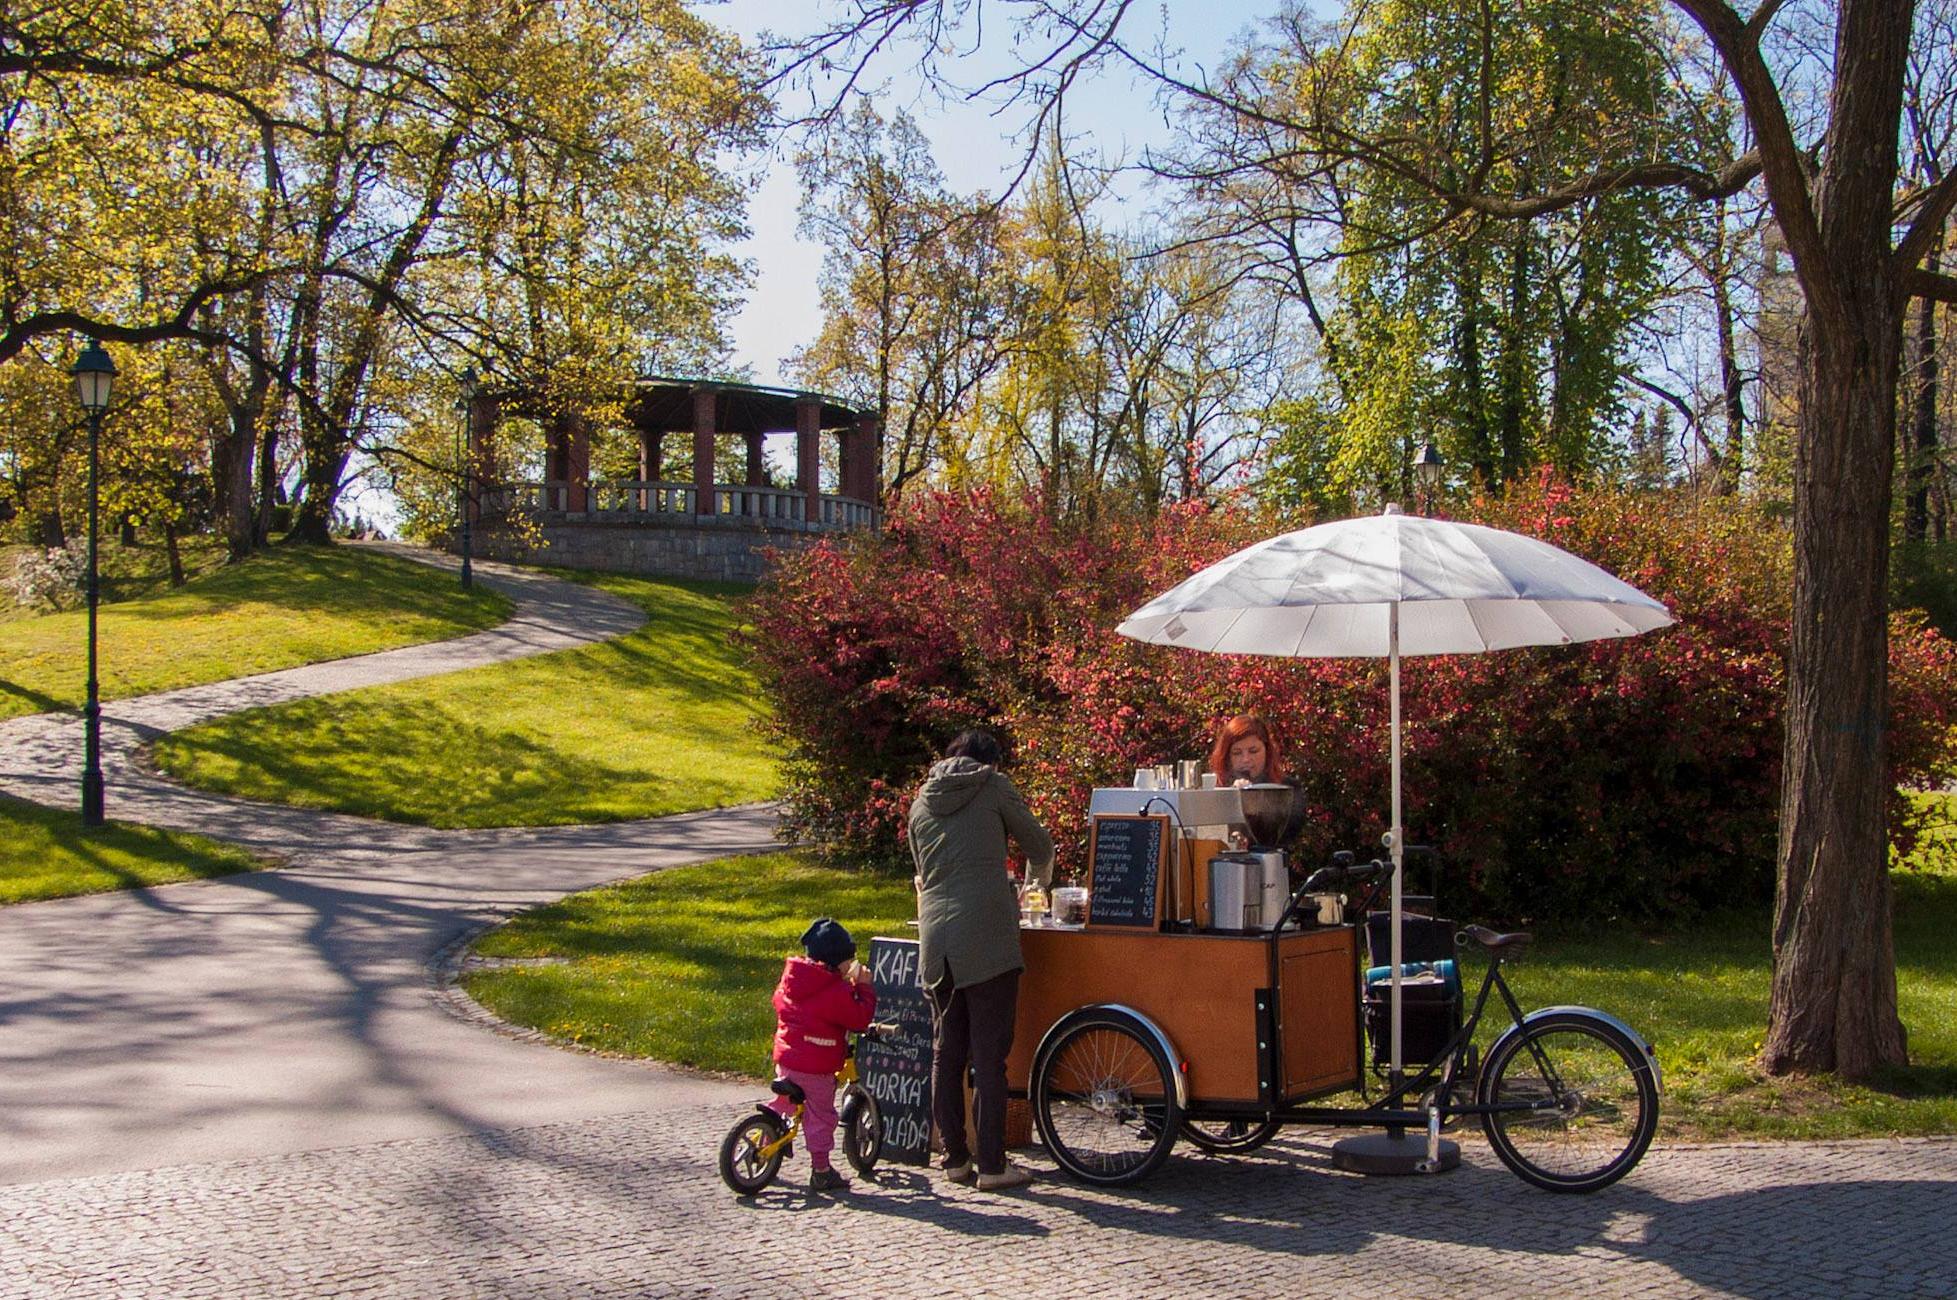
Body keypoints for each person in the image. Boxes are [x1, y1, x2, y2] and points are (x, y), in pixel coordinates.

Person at [909, 728, 1054, 1192]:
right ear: (990, 761)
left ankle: (954, 1158)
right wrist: (1036, 890)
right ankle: (992, 1165)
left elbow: (922, 874)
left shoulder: (920, 802)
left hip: (936, 938)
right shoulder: (993, 785)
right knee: (989, 1058)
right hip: (988, 933)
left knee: (945, 1053)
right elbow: (1040, 846)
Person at [769, 917, 878, 1193]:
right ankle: (821, 1170)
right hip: (816, 1067)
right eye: (848, 961)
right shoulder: (836, 991)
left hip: (787, 1059)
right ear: (836, 963)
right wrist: (863, 987)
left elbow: (780, 1002)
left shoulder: (795, 981)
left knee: (785, 1103)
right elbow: (858, 1018)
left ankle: (765, 1138)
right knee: (821, 1117)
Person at [1209, 713, 1307, 851]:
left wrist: (1251, 800)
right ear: (1227, 757)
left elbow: (1283, 836)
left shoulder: (1288, 789)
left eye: (1253, 751)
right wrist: (1231, 798)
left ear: (1267, 750)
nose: (1246, 759)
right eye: (1237, 753)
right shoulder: (1214, 792)